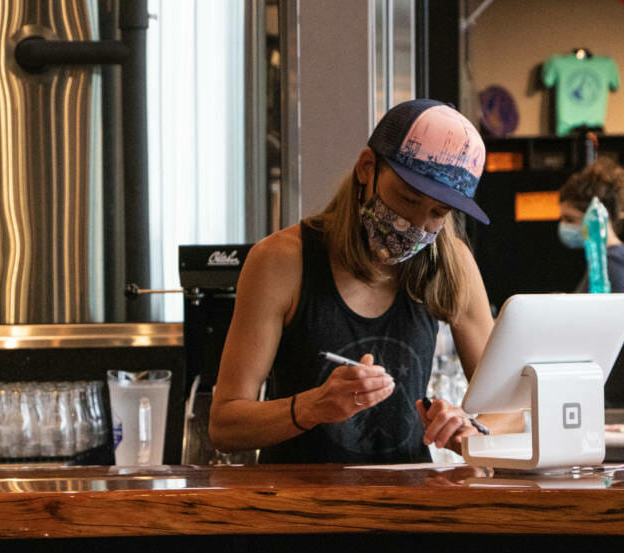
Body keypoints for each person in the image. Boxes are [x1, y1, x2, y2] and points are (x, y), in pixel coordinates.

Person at [209, 99, 522, 464]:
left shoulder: (452, 263)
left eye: (438, 213)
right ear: (366, 168)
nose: (417, 224)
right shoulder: (282, 261)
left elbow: (513, 410)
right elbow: (225, 426)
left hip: (408, 507)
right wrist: (311, 407)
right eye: (407, 198)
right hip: (297, 510)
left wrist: (473, 429)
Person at [558, 157, 624, 418]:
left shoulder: (613, 263)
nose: (564, 226)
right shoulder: (610, 258)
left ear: (595, 217)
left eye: (570, 218)